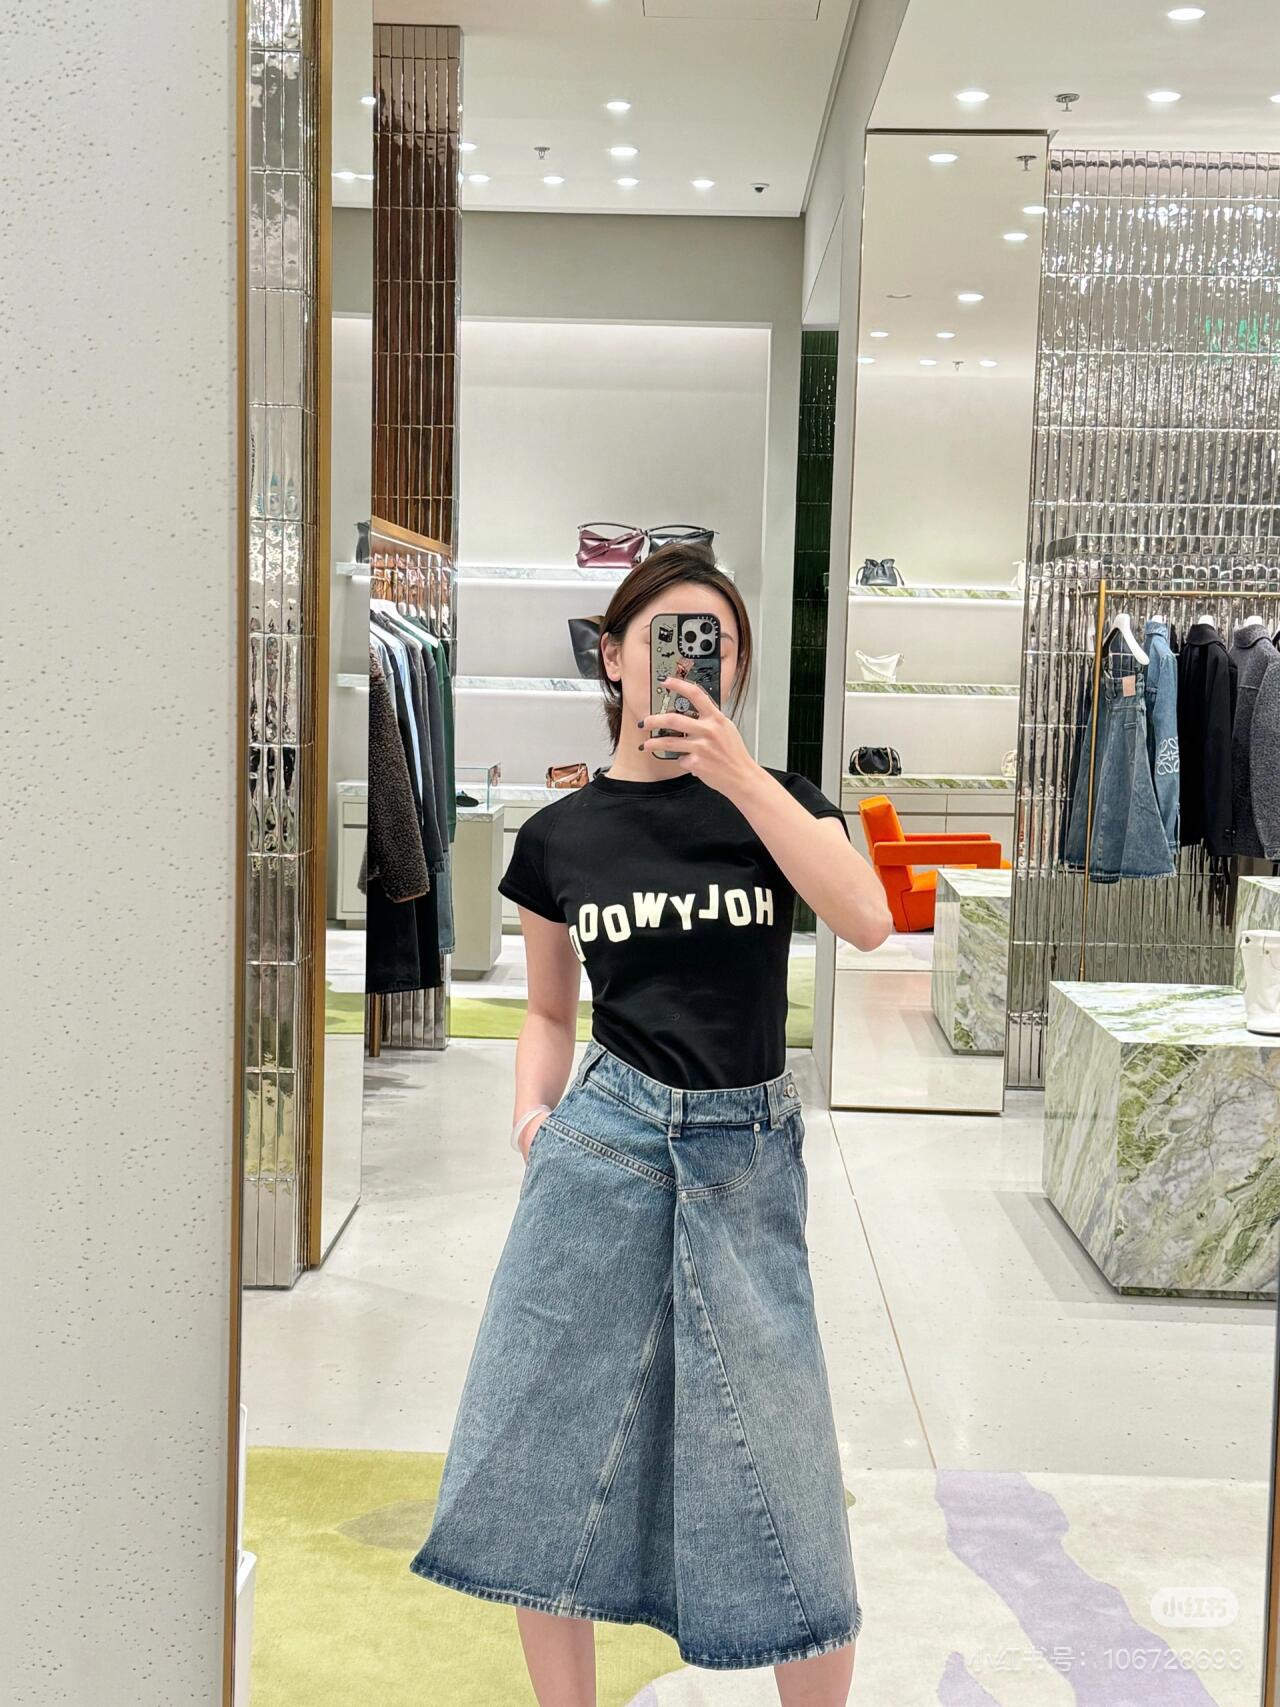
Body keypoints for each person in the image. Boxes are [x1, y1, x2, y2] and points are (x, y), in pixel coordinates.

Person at [409, 544, 893, 1705]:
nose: (692, 659)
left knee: (782, 1470)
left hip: (744, 1154)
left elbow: (867, 918)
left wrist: (742, 780)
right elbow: (545, 1008)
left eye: (715, 643)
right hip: (605, 1142)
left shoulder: (781, 806)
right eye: (669, 636)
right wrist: (531, 1116)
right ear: (614, 657)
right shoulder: (559, 837)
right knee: (543, 1443)